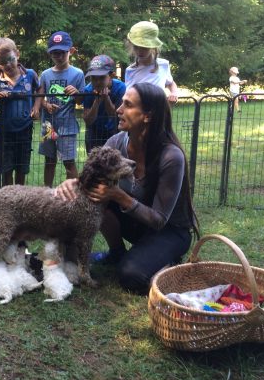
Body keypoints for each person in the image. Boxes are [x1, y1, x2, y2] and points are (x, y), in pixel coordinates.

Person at [56, 82, 199, 294]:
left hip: (169, 231)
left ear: (147, 116)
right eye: (121, 103)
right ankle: (117, 253)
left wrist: (118, 196)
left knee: (131, 275)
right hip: (137, 223)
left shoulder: (171, 156)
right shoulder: (116, 142)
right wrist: (73, 183)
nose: (119, 110)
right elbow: (91, 176)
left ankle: (168, 262)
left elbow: (159, 220)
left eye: (128, 105)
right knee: (94, 197)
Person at [0, 37, 39, 186]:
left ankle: (20, 198)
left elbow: (40, 89)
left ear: (17, 54)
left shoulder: (30, 75)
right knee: (6, 168)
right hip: (5, 132)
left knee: (22, 167)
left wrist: (36, 107)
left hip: (25, 129)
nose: (8, 64)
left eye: (10, 59)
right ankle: (7, 198)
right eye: (2, 62)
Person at [37, 31, 85, 187]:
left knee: (68, 162)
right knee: (49, 160)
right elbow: (40, 97)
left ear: (71, 51)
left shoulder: (78, 74)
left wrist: (77, 93)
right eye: (54, 54)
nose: (58, 57)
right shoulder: (45, 74)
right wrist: (45, 105)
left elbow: (81, 101)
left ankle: (75, 194)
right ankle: (46, 192)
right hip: (47, 125)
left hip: (67, 126)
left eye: (62, 53)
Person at [124, 21, 180, 103]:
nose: (140, 51)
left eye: (144, 47)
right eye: (136, 47)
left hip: (158, 112)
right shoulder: (130, 70)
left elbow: (171, 83)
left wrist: (174, 93)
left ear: (153, 47)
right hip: (138, 113)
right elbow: (128, 96)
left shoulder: (163, 65)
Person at [82, 55, 126, 155]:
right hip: (94, 133)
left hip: (114, 132)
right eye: (94, 78)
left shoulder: (120, 88)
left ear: (111, 76)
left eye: (101, 78)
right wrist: (97, 101)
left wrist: (106, 98)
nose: (97, 82)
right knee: (94, 164)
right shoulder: (88, 90)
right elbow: (88, 120)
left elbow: (115, 115)